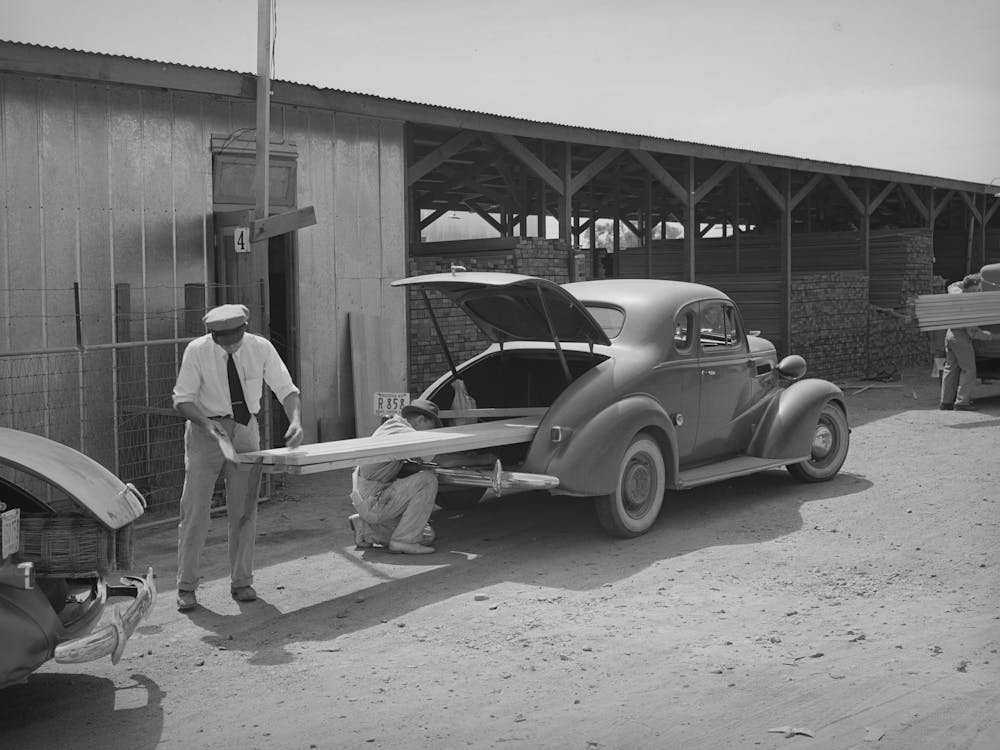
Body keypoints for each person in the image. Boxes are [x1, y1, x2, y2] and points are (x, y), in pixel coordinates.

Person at [172, 303, 303, 611]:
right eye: (223, 340)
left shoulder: (261, 348)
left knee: (244, 510)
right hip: (205, 431)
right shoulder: (196, 351)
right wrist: (207, 424)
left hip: (245, 430)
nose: (230, 344)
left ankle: (242, 581)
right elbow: (183, 399)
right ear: (211, 335)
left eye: (235, 338)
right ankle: (186, 586)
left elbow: (286, 389)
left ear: (245, 329)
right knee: (195, 510)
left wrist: (295, 421)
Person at [348, 399, 496, 554]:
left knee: (427, 535)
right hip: (374, 500)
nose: (430, 435)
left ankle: (365, 528)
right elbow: (442, 460)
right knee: (427, 480)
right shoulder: (404, 432)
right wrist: (480, 459)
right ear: (420, 420)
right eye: (430, 429)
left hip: (369, 497)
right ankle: (403, 541)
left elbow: (417, 463)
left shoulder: (394, 427)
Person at [940, 273, 993, 411]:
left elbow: (953, 285)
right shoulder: (968, 304)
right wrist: (988, 336)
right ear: (970, 288)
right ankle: (962, 402)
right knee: (968, 370)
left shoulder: (955, 292)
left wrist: (965, 283)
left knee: (950, 369)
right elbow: (972, 332)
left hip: (950, 334)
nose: (978, 292)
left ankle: (945, 402)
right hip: (961, 338)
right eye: (977, 289)